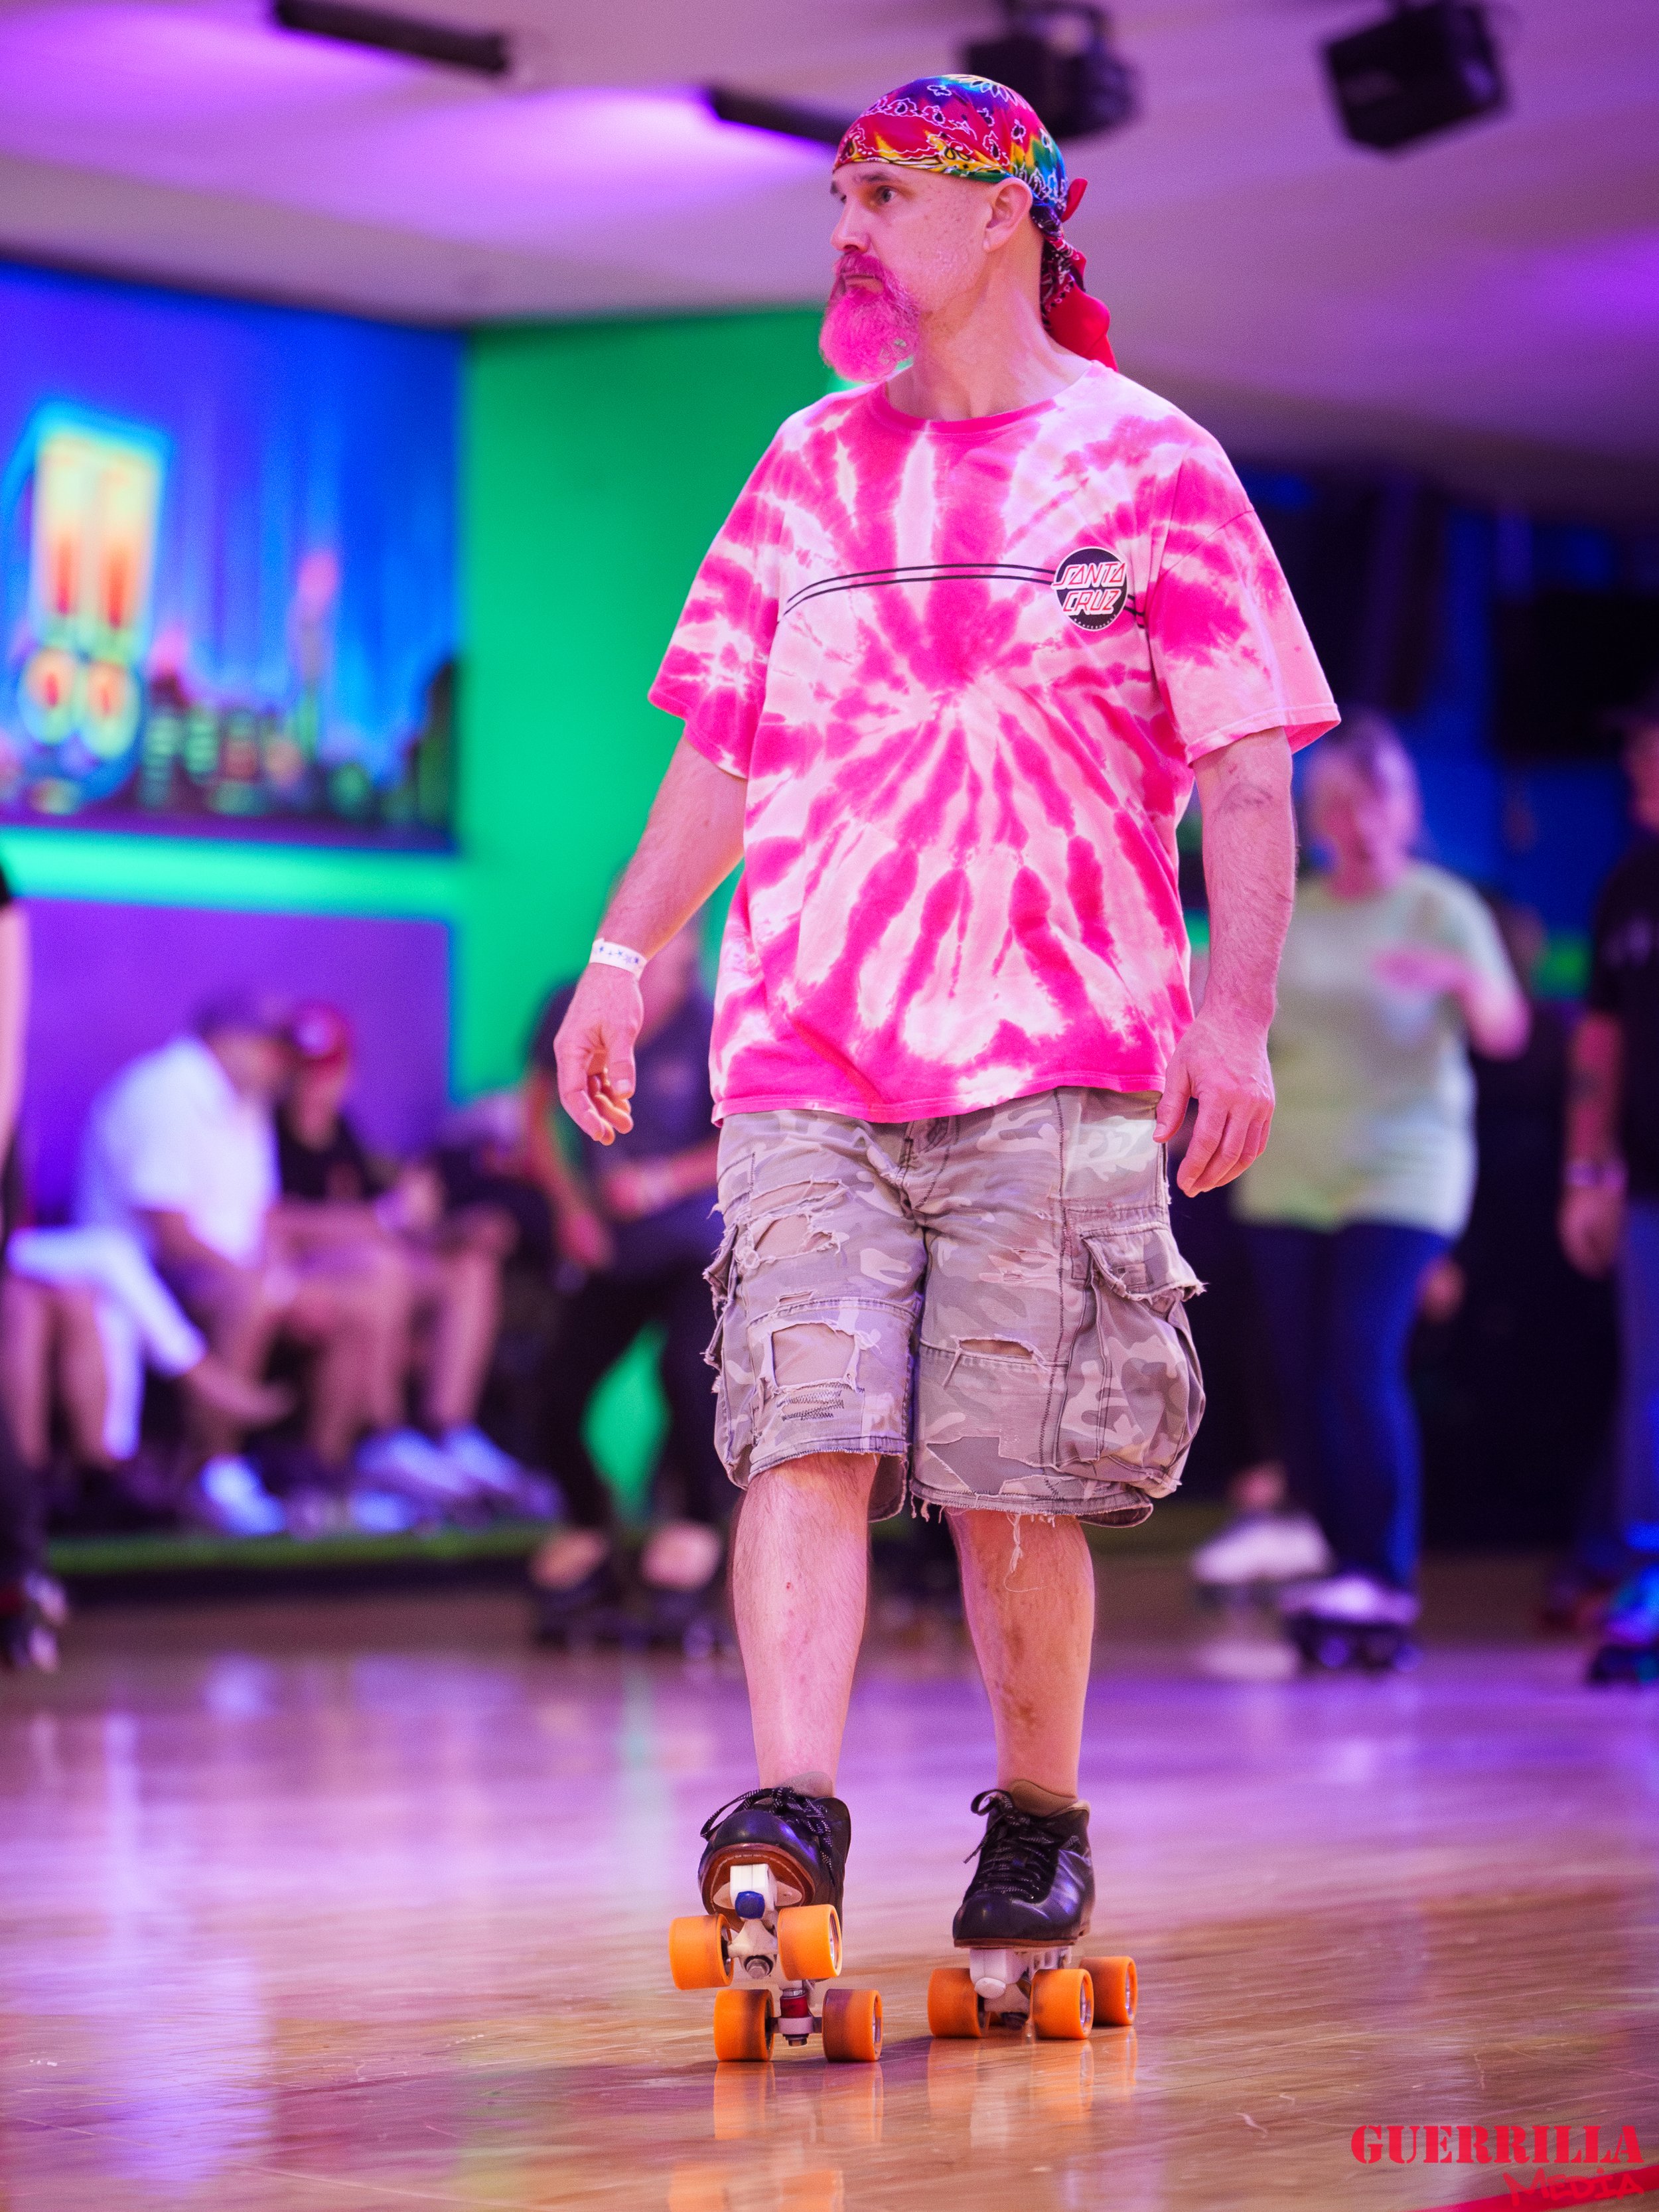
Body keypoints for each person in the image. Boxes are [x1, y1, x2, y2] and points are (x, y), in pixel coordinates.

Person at [552, 75, 1333, 1968]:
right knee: (795, 1426)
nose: (851, 223)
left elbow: (1242, 771)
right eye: (842, 189)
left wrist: (1232, 1022)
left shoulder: (1152, 465)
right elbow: (723, 748)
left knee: (1009, 1472)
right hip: (806, 1044)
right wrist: (622, 948)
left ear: (1004, 216)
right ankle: (789, 1809)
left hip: (1056, 1055)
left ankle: (1037, 1822)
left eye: (888, 189)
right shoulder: (804, 463)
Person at [1232, 715, 1528, 1664]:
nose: (1359, 821)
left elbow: (1506, 1032)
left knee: (1361, 1358)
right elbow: (1239, 1024)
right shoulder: (1295, 907)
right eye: (1341, 803)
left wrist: (1455, 977)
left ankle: (1384, 1571)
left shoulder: (1443, 908)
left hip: (1405, 1164)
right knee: (1304, 1372)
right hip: (1289, 1168)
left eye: (1378, 800)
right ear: (1317, 814)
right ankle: (1337, 1555)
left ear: (1406, 808)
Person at [76, 996, 394, 1534]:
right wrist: (270, 1287)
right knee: (247, 1298)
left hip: (227, 1272)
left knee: (365, 1292)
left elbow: (260, 1219)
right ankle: (215, 1476)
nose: (284, 1067)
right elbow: (174, 1238)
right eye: (275, 1050)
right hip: (145, 1280)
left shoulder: (247, 1102)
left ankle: (320, 1475)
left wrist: (288, 1283)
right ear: (229, 1040)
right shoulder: (165, 1090)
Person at [522, 919, 727, 1645]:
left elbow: (750, 1132)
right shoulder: (573, 1004)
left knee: (688, 1380)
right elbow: (536, 1114)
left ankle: (697, 1535)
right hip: (609, 1248)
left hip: (692, 1249)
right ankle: (590, 1527)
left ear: (689, 950)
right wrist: (569, 1205)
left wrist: (661, 1180)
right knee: (555, 1392)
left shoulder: (714, 1024)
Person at [275, 1002, 531, 1512]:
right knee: (382, 1271)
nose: (315, 1084)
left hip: (368, 1269)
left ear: (347, 1072)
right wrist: (385, 1220)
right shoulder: (267, 1131)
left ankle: (450, 1432)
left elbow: (390, 1218)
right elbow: (276, 1224)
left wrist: (448, 1229)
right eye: (304, 1070)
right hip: (302, 1282)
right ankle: (385, 1440)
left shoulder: (345, 1135)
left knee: (469, 1264)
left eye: (327, 1069)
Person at [1559, 675, 1659, 1678]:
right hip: (1648, 1189)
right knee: (1652, 1387)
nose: (1636, 760)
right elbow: (1601, 1035)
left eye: (1649, 742)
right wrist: (1587, 1167)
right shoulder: (1629, 885)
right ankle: (1646, 1576)